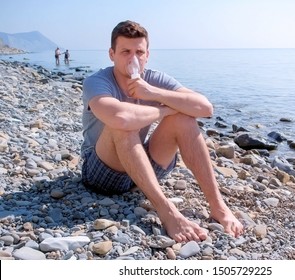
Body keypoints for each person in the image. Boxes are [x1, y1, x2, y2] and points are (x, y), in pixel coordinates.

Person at [81, 20, 244, 242]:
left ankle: (219, 207)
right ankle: (167, 212)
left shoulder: (154, 79)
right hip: (103, 172)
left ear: (147, 54)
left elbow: (205, 108)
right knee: (124, 124)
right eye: (125, 52)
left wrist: (153, 93)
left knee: (184, 119)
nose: (133, 59)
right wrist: (163, 110)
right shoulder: (97, 81)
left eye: (139, 52)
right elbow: (120, 117)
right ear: (112, 54)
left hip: (141, 170)